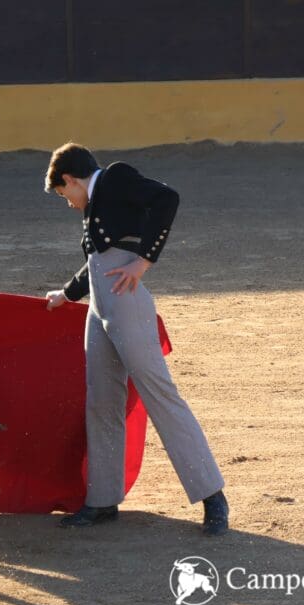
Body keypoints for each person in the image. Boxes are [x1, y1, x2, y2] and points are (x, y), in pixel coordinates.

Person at [43, 142, 229, 535]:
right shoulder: (97, 201)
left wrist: (145, 261)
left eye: (64, 194)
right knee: (102, 399)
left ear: (71, 180)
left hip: (125, 301)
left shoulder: (115, 176)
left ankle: (212, 496)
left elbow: (167, 198)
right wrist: (66, 294)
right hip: (101, 306)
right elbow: (98, 261)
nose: (69, 203)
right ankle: (102, 500)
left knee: (158, 391)